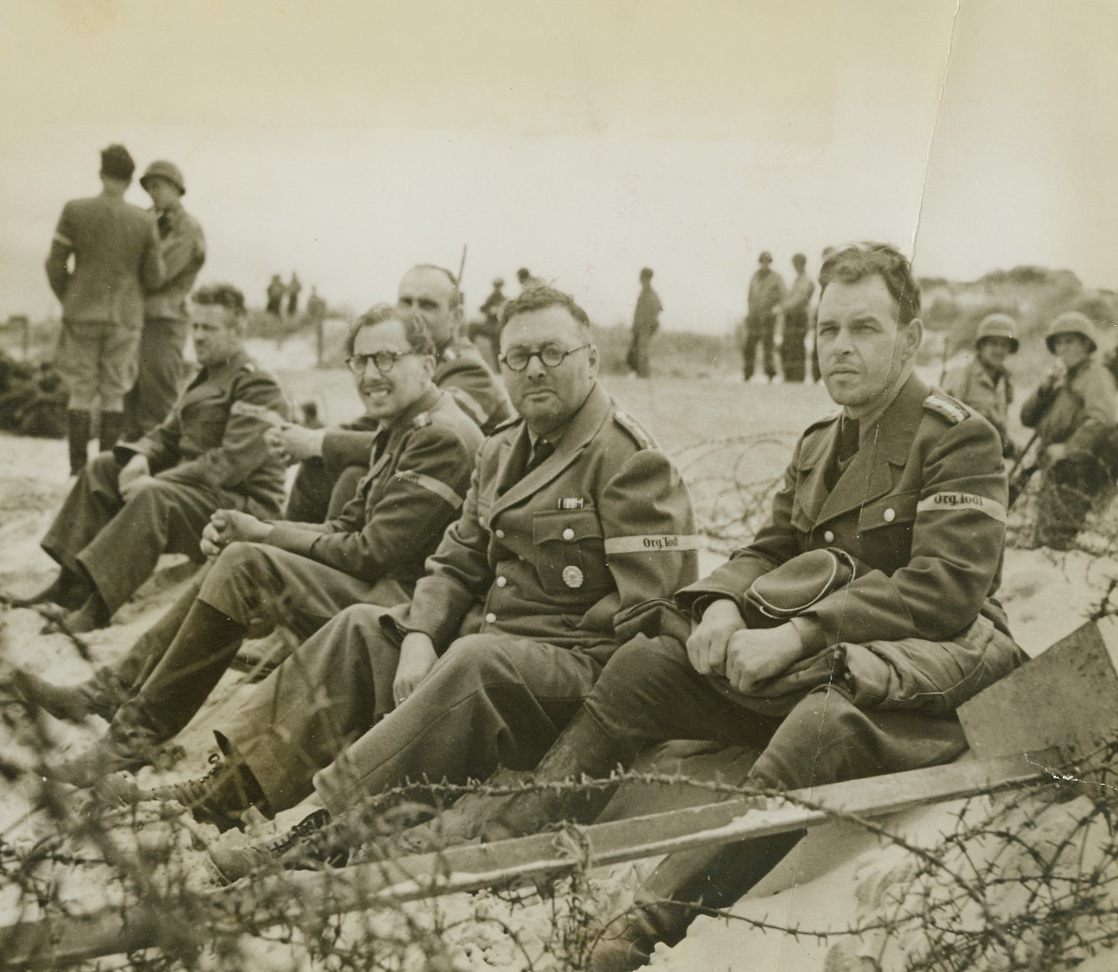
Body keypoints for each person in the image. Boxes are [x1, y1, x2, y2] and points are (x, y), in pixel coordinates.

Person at [382, 243, 1025, 971]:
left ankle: (644, 926)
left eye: (864, 328)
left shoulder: (958, 436)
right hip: (817, 653)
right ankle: (514, 844)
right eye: (828, 329)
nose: (840, 346)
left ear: (910, 339)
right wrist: (719, 605)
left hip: (918, 668)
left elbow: (945, 587)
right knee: (643, 667)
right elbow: (769, 546)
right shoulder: (822, 442)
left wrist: (798, 635)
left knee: (821, 723)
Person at [135, 286, 698, 851]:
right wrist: (422, 635)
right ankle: (231, 791)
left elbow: (650, 615)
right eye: (518, 356)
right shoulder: (502, 449)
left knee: (476, 659)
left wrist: (496, 646)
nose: (534, 369)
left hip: (574, 675)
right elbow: (455, 560)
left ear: (591, 359)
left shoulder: (629, 458)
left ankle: (326, 828)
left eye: (553, 352)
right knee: (363, 628)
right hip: (494, 651)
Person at [21, 303, 485, 786]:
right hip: (380, 590)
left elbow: (369, 552)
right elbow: (345, 526)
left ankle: (130, 737)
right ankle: (110, 693)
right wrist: (254, 529)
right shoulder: (404, 425)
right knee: (240, 556)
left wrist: (264, 534)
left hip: (404, 612)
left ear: (427, 364)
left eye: (386, 358)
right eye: (360, 361)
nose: (370, 375)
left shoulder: (439, 436)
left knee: (246, 564)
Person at [13, 284, 288, 633]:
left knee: (153, 496)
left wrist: (157, 480)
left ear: (238, 330)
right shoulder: (205, 377)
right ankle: (69, 586)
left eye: (209, 328)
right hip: (200, 494)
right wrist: (141, 457)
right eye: (195, 326)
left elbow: (229, 465)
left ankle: (97, 608)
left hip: (242, 506)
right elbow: (167, 434)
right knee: (103, 468)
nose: (198, 336)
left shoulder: (257, 384)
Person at [283, 264, 513, 523]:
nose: (414, 313)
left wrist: (318, 442)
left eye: (427, 305)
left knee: (352, 473)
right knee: (319, 465)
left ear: (456, 317)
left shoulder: (468, 370)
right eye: (406, 302)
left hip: (465, 514)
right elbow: (371, 424)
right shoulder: (404, 361)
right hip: (425, 489)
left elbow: (416, 439)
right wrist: (305, 440)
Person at [44, 144, 166, 474]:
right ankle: (104, 473)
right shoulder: (144, 220)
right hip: (125, 316)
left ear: (101, 174)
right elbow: (155, 276)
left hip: (81, 313)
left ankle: (76, 472)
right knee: (114, 393)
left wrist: (70, 298)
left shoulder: (75, 210)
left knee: (80, 391)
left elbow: (54, 264)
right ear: (130, 180)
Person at [123, 160, 207, 440]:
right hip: (136, 319)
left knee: (158, 399)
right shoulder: (150, 221)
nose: (152, 194)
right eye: (149, 188)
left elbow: (157, 273)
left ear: (175, 188)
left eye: (158, 187)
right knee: (130, 399)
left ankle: (160, 461)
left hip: (164, 320)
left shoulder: (186, 228)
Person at [1019, 311, 1118, 550]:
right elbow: (1027, 418)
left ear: (1086, 344)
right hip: (1056, 467)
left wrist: (1067, 448)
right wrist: (1045, 387)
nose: (1063, 348)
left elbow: (1103, 419)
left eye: (1070, 341)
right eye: (1059, 343)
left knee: (1056, 537)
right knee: (1046, 537)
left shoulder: (1095, 376)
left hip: (1078, 468)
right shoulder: (1062, 379)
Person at [941, 312, 1019, 456]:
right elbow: (944, 421)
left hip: (989, 456)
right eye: (993, 344)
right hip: (961, 453)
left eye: (1004, 345)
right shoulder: (962, 372)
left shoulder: (1005, 381)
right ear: (982, 346)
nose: (999, 350)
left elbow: (1001, 425)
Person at [743, 251, 785, 383]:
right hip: (755, 316)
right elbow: (750, 296)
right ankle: (747, 374)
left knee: (768, 346)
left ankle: (770, 374)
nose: (765, 264)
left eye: (767, 261)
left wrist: (775, 309)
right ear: (760, 262)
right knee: (750, 345)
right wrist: (750, 312)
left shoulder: (776, 277)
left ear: (770, 262)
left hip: (768, 317)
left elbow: (782, 295)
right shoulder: (755, 276)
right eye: (762, 261)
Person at [777, 253, 814, 382]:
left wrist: (783, 307)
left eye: (796, 264)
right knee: (787, 345)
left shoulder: (806, 280)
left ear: (801, 264)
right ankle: (789, 376)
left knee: (797, 346)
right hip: (791, 317)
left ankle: (797, 377)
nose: (795, 266)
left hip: (799, 317)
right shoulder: (797, 280)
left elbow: (800, 299)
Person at [626, 267, 662, 379]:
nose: (640, 279)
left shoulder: (650, 294)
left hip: (645, 327)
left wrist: (649, 323)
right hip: (640, 327)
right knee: (637, 349)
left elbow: (659, 308)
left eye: (642, 277)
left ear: (646, 278)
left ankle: (643, 375)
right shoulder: (644, 293)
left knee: (642, 349)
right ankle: (640, 374)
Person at [468, 276, 507, 369]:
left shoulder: (504, 299)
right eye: (496, 286)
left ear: (501, 287)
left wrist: (498, 311)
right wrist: (489, 310)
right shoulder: (491, 297)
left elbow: (507, 312)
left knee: (497, 343)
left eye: (499, 286)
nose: (497, 288)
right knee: (472, 326)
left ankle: (498, 368)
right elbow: (482, 308)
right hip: (488, 325)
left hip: (497, 326)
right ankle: (468, 350)